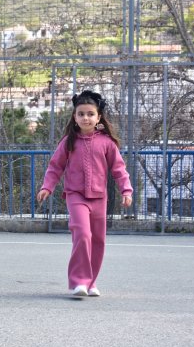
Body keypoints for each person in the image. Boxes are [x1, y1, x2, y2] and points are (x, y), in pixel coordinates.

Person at [37, 90, 133, 297]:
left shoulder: (107, 143)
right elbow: (55, 167)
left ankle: (91, 282)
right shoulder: (68, 142)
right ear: (75, 117)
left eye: (90, 114)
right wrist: (47, 187)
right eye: (81, 114)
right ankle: (79, 281)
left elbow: (119, 169)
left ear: (98, 118)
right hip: (75, 195)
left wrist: (126, 190)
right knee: (82, 234)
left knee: (98, 240)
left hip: (100, 198)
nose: (85, 118)